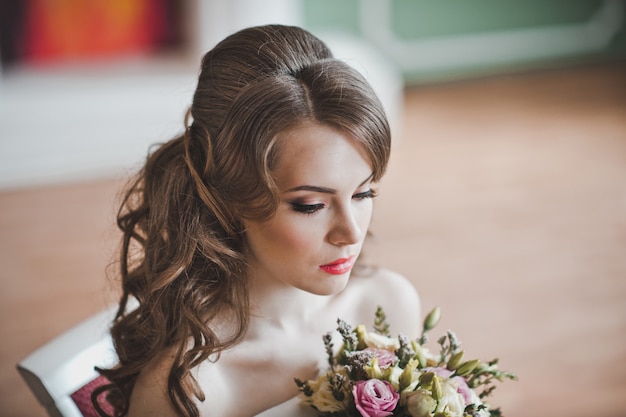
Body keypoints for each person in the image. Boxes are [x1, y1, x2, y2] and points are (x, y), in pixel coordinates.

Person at [95, 24, 421, 417]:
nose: (351, 232)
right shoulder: (190, 393)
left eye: (363, 194)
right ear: (229, 198)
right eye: (310, 205)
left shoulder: (387, 303)